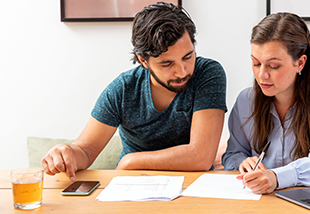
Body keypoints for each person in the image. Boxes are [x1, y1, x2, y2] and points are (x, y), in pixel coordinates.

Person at [41, 2, 227, 181]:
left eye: (188, 56)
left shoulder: (208, 74)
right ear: (143, 60)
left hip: (194, 186)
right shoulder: (123, 90)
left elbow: (201, 156)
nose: (183, 71)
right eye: (167, 64)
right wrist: (66, 152)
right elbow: (85, 151)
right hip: (134, 185)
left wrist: (131, 161)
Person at [222, 12, 310, 194]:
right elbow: (233, 154)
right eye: (256, 63)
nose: (261, 75)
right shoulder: (245, 101)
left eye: (273, 66)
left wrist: (276, 177)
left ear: (300, 63)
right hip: (259, 202)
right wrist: (242, 162)